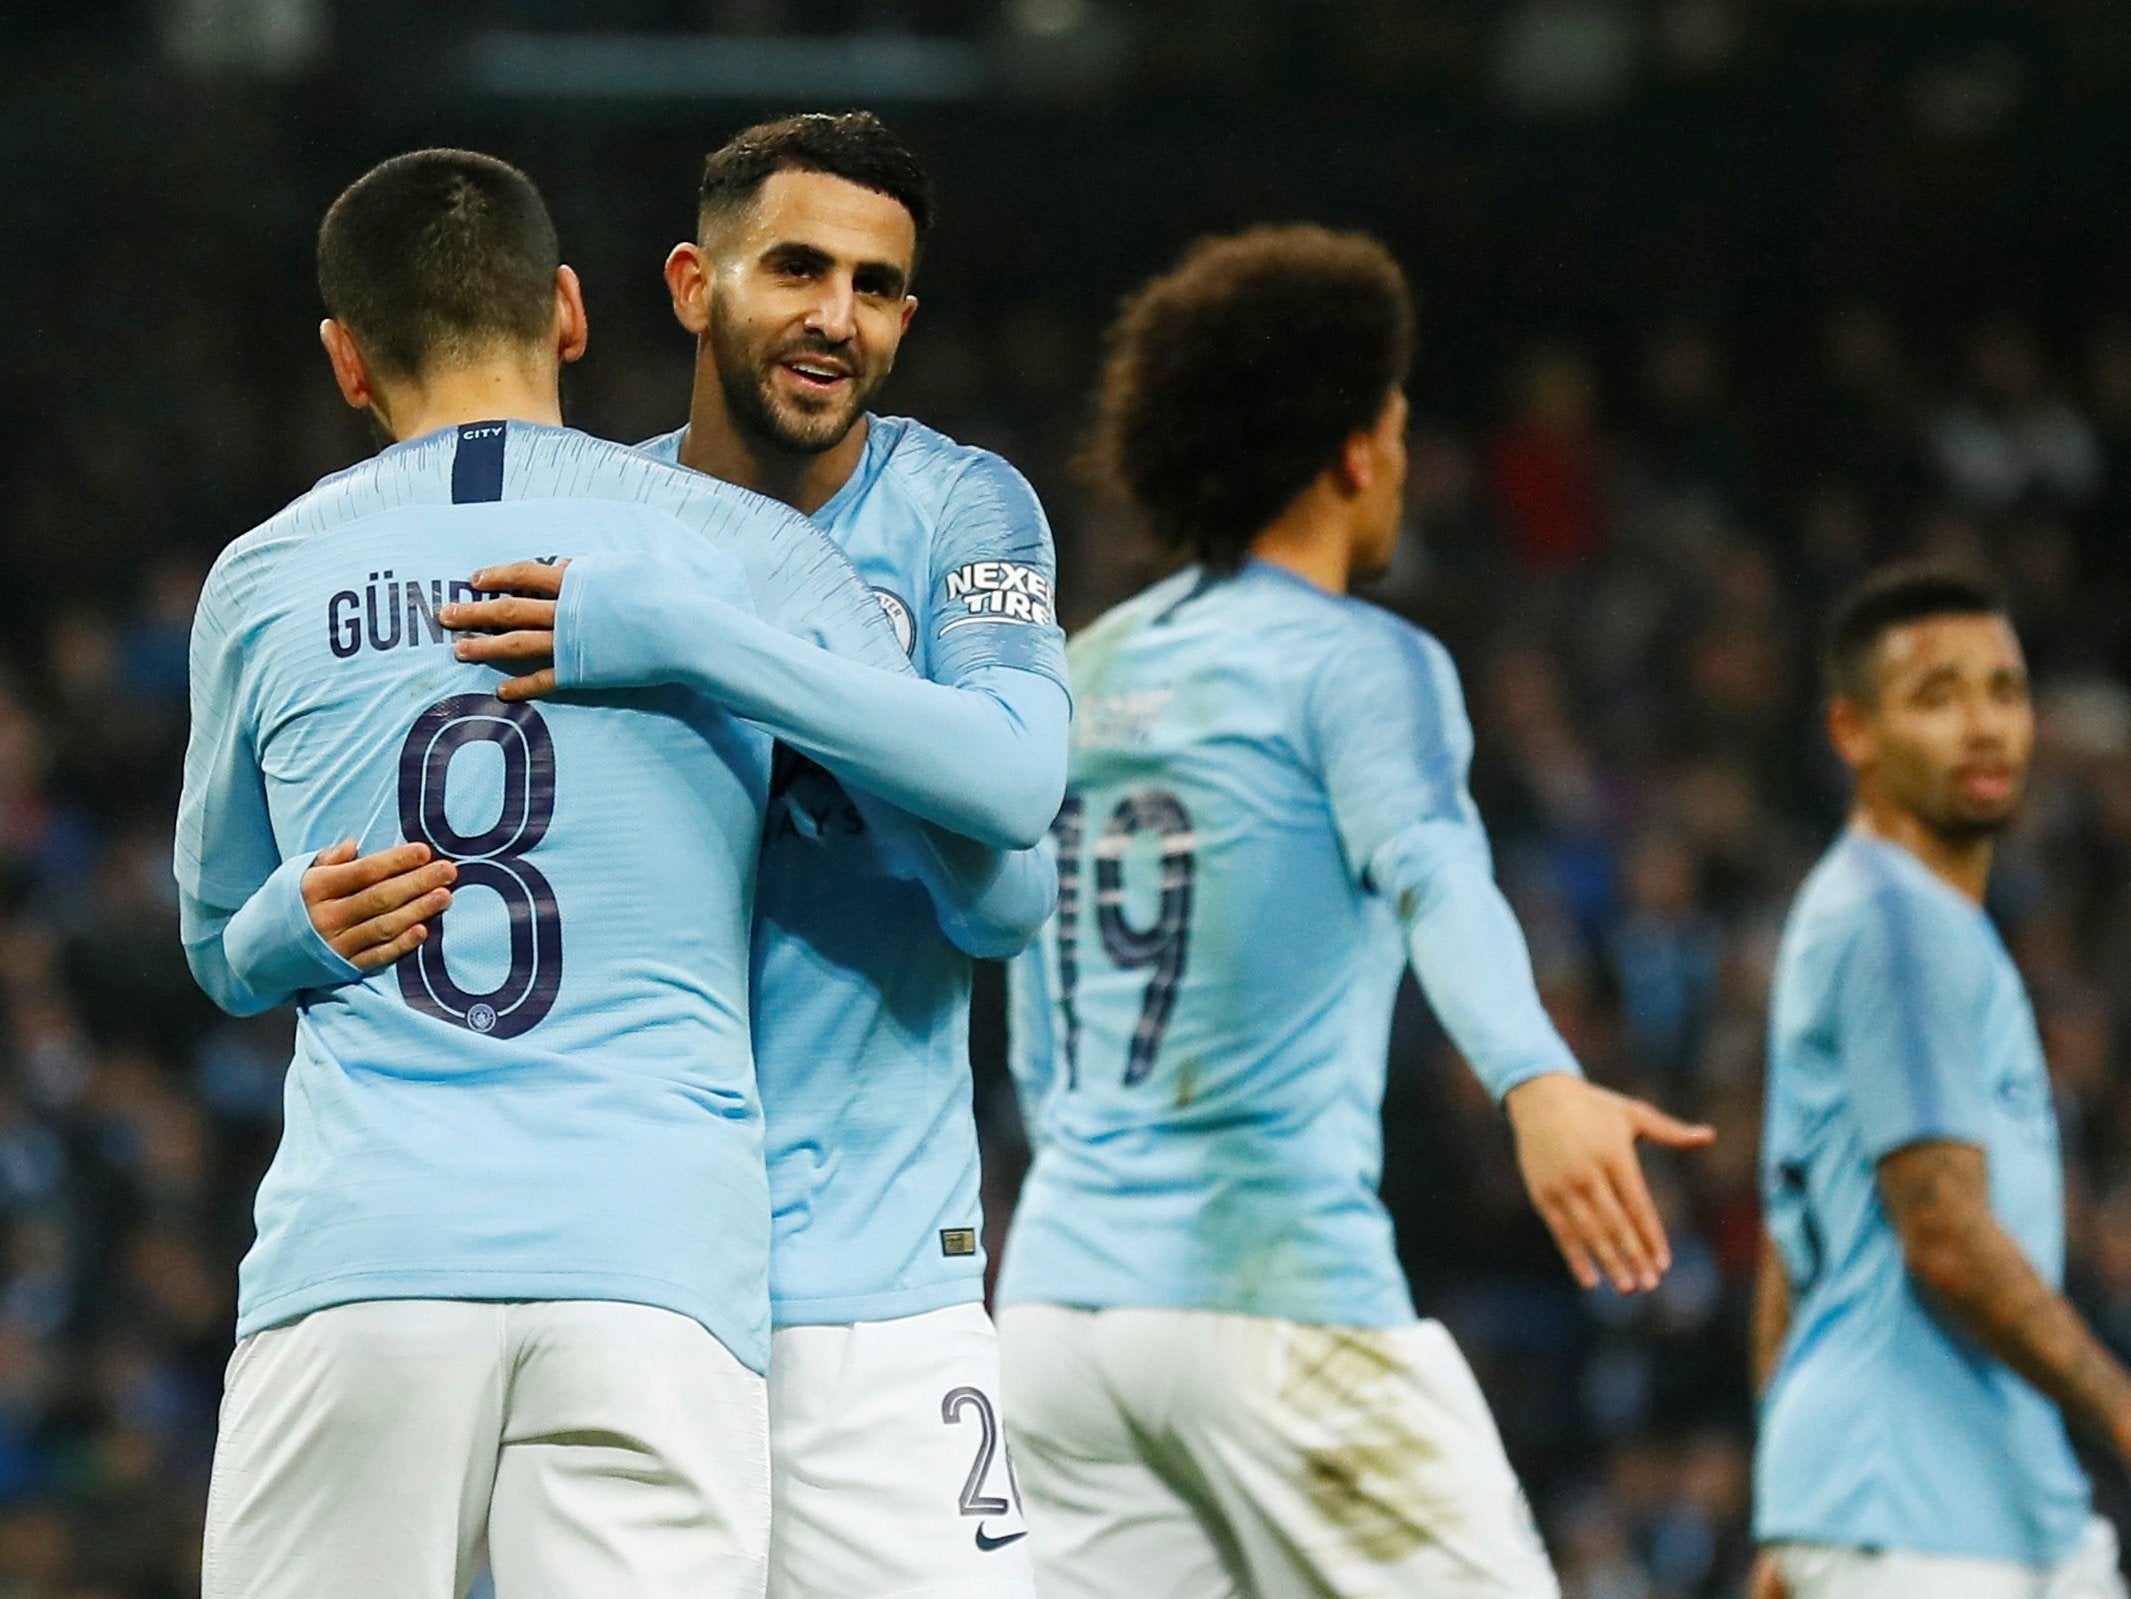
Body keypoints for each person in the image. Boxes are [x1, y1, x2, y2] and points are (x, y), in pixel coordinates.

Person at [175, 148, 917, 1599]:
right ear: (569, 311)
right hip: (656, 1262)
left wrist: (296, 924)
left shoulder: (260, 577)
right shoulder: (746, 552)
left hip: (366, 1255)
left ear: (344, 358)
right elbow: (962, 818)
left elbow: (220, 941)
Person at [384, 113, 1066, 1596]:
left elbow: (1015, 823)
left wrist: (707, 648)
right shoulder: (585, 534)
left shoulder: (959, 509)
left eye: (876, 286)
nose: (836, 318)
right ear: (694, 284)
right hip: (617, 1286)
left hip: (876, 1306)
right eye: (798, 268)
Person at [994, 224, 1712, 1599]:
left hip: (1059, 1324)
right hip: (1269, 1298)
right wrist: (1536, 1076)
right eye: (1390, 418)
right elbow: (1436, 868)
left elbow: (1033, 1005)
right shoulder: (1360, 660)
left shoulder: (1078, 667)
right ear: (1347, 449)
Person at [1750, 568, 2130, 1599]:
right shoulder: (1896, 925)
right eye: (1936, 697)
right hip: (1915, 1519)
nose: (1983, 726)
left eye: (2003, 691)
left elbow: (1792, 1250)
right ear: (1852, 732)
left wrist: (1788, 1511)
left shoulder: (1891, 913)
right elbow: (1944, 1237)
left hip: (1987, 1499)